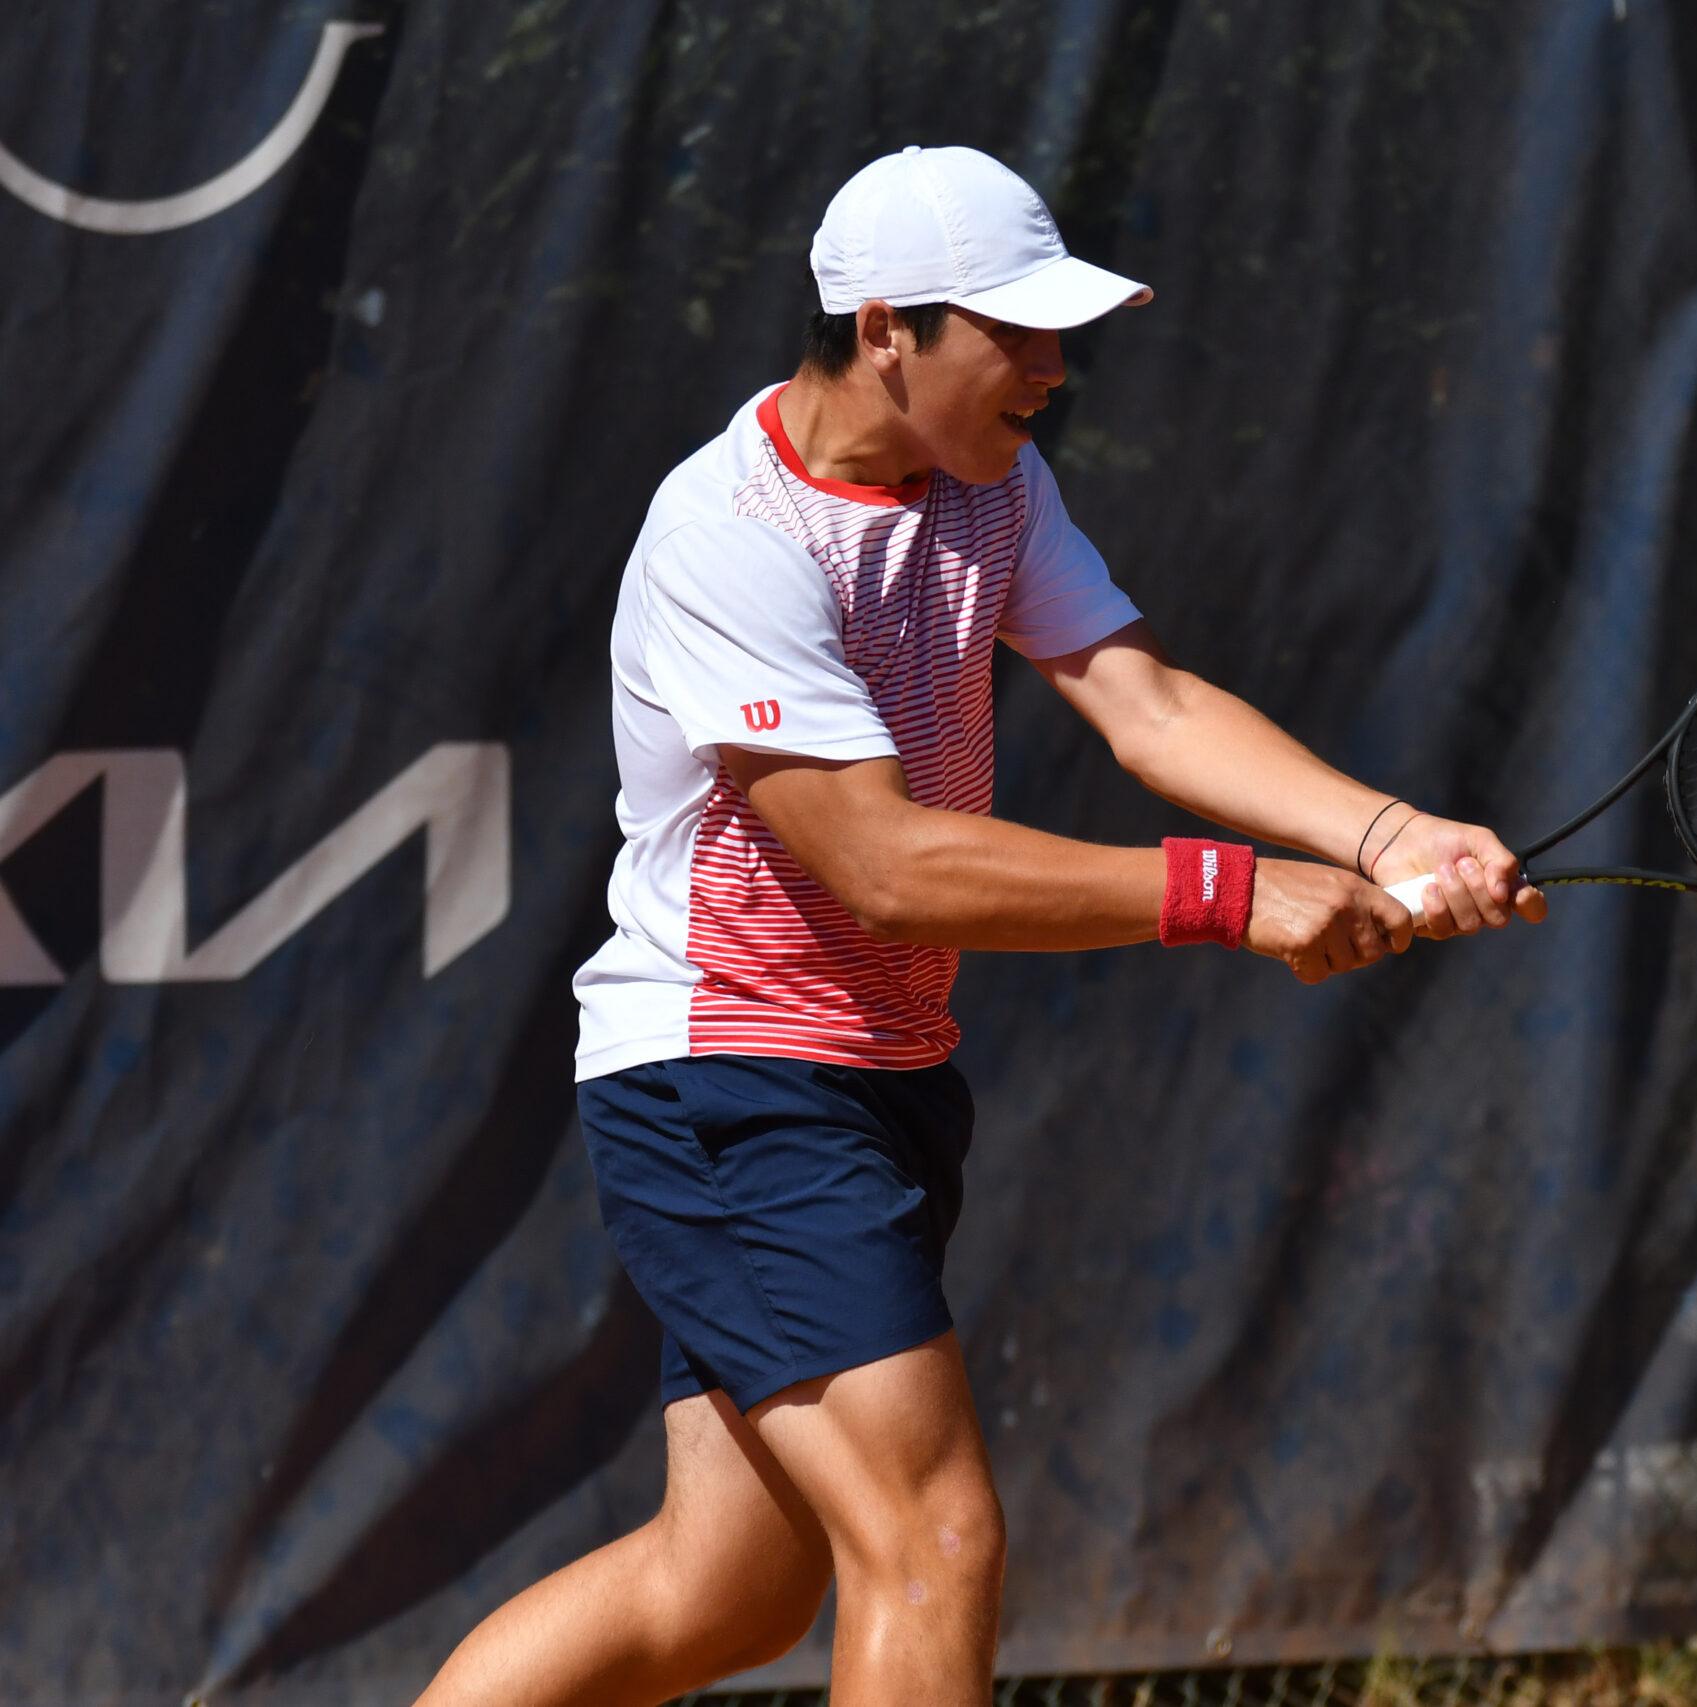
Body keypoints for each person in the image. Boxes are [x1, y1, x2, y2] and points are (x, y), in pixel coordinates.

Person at [414, 144, 1541, 1707]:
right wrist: (1230, 893)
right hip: (730, 1079)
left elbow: (1142, 700)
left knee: (722, 1589)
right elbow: (882, 864)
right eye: (1014, 333)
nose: (1053, 369)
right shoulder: (727, 536)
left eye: (1059, 331)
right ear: (885, 330)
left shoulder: (994, 483)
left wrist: (1387, 834)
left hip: (876, 1076)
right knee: (934, 1539)